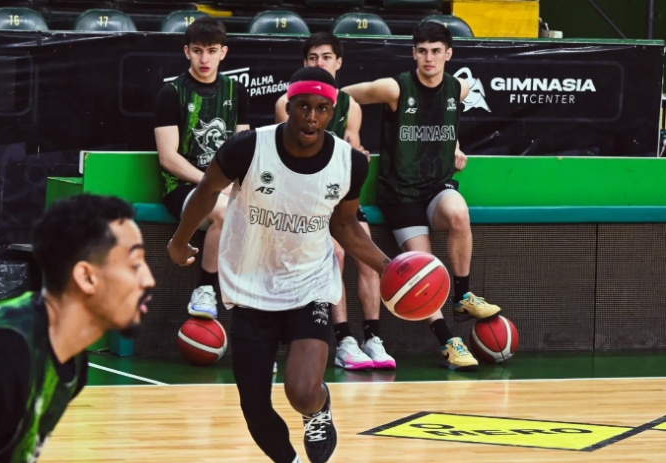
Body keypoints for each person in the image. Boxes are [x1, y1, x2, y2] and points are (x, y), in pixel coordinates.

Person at [168, 67, 391, 463]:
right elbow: (206, 191)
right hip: (250, 286)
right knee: (255, 408)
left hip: (310, 285)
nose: (311, 117)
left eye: (322, 109)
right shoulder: (247, 148)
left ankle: (318, 407)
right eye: (303, 106)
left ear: (333, 112)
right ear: (288, 106)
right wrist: (179, 240)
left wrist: (390, 267)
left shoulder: (350, 163)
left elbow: (344, 225)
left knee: (301, 392)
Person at [342, 22, 502, 372]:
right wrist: (351, 133)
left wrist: (455, 144)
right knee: (422, 269)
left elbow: (447, 121)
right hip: (400, 195)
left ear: (448, 54)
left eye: (436, 51)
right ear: (414, 53)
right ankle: (447, 342)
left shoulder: (458, 88)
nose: (429, 57)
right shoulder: (395, 88)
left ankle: (462, 296)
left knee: (459, 213)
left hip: (436, 186)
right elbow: (343, 95)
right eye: (422, 51)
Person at [0, 194, 156, 463]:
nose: (149, 280)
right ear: (86, 277)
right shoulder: (0, 356)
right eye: (135, 264)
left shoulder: (71, 360)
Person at [275, 32, 395, 371]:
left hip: (339, 195)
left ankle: (373, 337)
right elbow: (288, 158)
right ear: (304, 63)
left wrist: (359, 157)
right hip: (302, 199)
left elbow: (351, 149)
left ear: (338, 63)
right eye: (313, 58)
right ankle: (344, 340)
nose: (320, 63)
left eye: (326, 57)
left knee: (368, 254)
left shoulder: (350, 105)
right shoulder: (287, 102)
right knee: (337, 254)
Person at [154, 16, 249, 319]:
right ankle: (205, 289)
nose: (204, 59)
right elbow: (168, 158)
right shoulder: (172, 93)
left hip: (225, 186)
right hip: (182, 187)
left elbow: (243, 148)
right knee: (223, 211)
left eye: (211, 51)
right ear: (187, 52)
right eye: (197, 51)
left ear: (223, 52)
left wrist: (235, 184)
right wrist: (213, 183)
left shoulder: (236, 92)